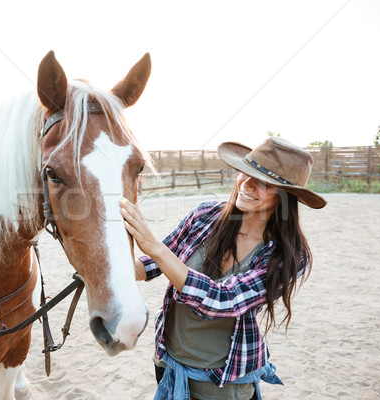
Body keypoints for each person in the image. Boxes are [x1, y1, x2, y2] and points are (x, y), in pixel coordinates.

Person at [120, 136, 327, 400]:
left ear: (285, 197)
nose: (247, 184)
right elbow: (151, 265)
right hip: (168, 366)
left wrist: (154, 247)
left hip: (222, 386)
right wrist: (101, 265)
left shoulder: (288, 257)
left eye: (264, 182)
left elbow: (222, 300)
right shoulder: (206, 216)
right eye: (246, 172)